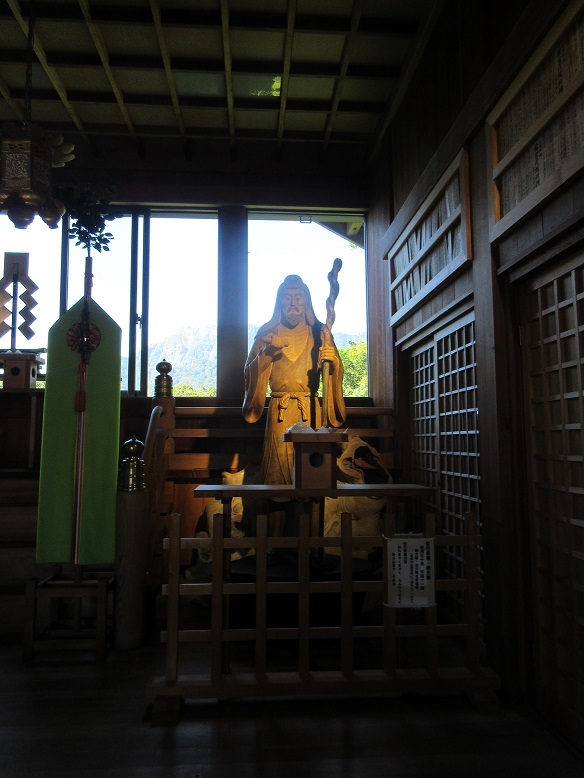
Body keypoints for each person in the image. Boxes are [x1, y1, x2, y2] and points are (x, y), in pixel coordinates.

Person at [243, 274, 346, 487]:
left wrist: (333, 362)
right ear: (279, 301)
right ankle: (277, 506)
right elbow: (249, 372)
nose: (293, 304)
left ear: (306, 302)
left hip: (310, 409)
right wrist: (268, 352)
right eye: (287, 298)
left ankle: (310, 506)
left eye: (298, 298)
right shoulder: (267, 332)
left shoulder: (320, 333)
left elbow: (334, 371)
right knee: (278, 472)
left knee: (311, 469)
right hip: (280, 412)